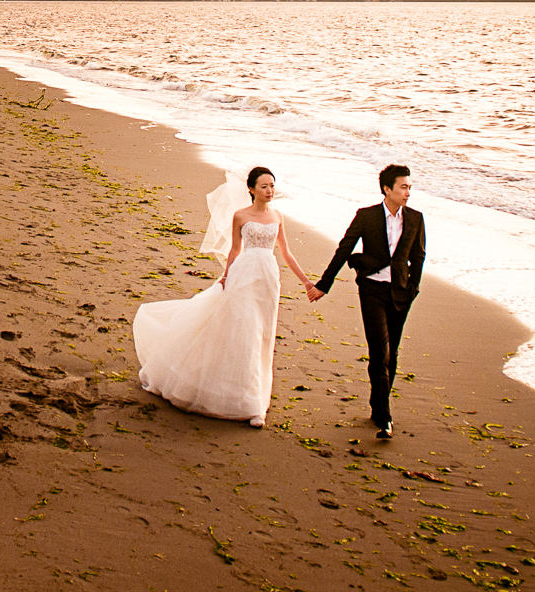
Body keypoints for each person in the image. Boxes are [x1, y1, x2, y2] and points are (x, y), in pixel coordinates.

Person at [132, 166, 317, 428]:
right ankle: (252, 406)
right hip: (244, 276)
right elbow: (235, 250)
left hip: (268, 279)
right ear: (251, 189)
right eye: (264, 186)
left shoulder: (277, 217)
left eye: (272, 186)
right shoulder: (240, 216)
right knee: (245, 332)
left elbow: (286, 252)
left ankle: (255, 397)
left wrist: (306, 281)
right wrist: (227, 276)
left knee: (262, 335)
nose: (269, 190)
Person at [310, 163, 424, 440]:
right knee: (379, 352)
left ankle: (378, 405)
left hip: (400, 292)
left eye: (409, 187)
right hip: (372, 289)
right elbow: (344, 249)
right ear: (387, 189)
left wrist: (412, 290)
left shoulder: (416, 218)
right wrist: (324, 284)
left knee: (392, 353)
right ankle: (385, 418)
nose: (408, 192)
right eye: (403, 187)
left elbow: (418, 257)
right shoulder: (367, 216)